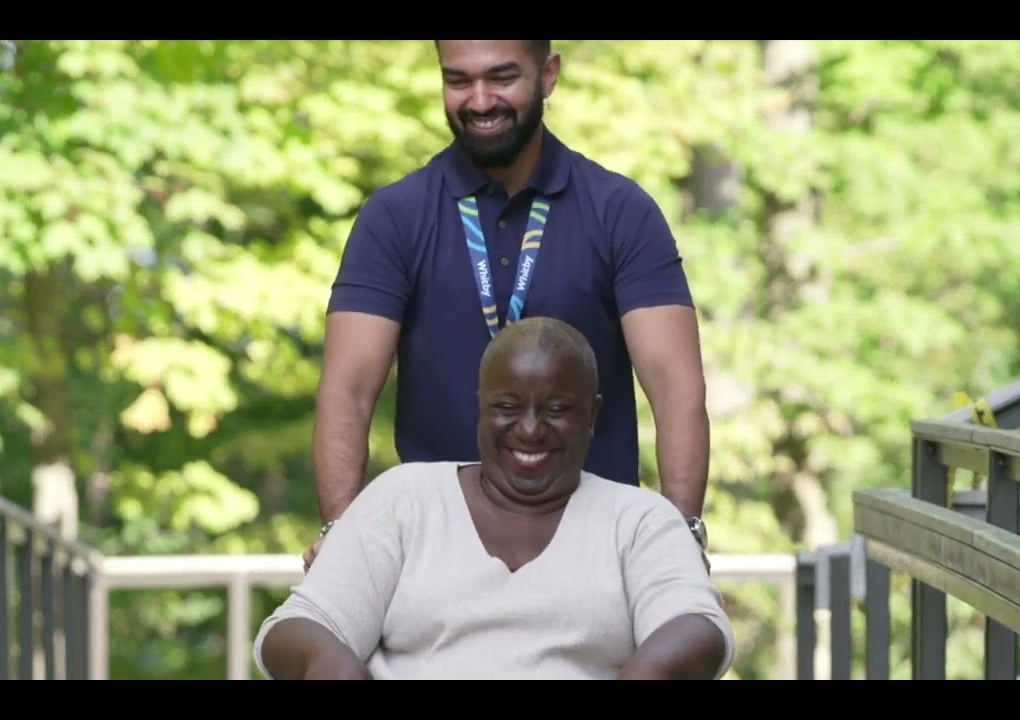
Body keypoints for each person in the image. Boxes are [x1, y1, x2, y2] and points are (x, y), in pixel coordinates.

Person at [309, 40, 710, 569]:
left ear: (549, 75)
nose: (479, 101)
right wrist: (340, 536)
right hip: (434, 555)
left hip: (596, 553)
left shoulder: (621, 212)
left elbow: (676, 389)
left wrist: (681, 536)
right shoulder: (394, 217)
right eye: (458, 80)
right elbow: (348, 391)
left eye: (501, 78)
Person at [258, 317, 734, 680]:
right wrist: (332, 663)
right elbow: (298, 626)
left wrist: (652, 669)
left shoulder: (638, 520)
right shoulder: (405, 499)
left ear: (592, 415)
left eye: (557, 410)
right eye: (507, 408)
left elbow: (696, 623)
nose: (530, 429)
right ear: (481, 408)